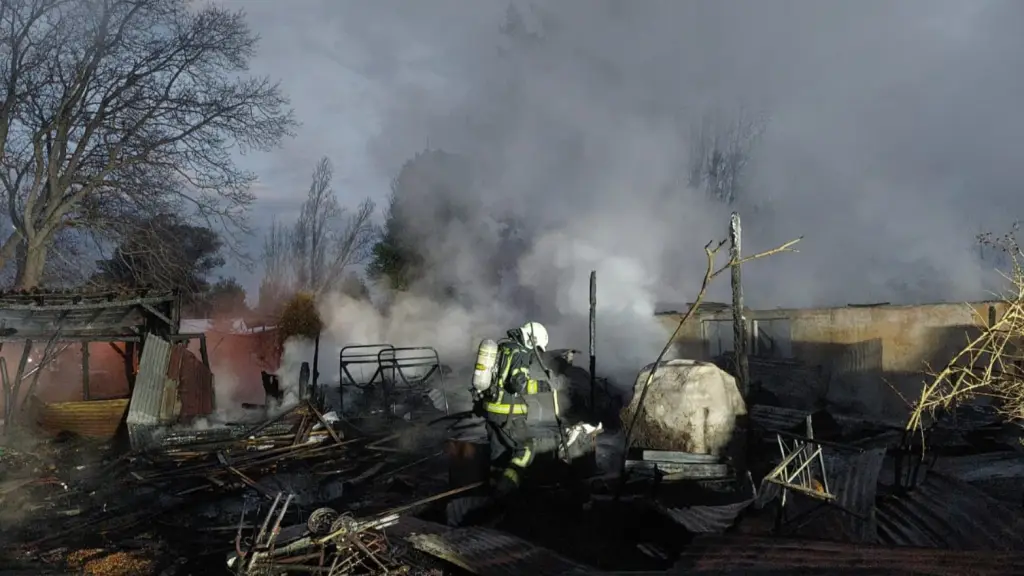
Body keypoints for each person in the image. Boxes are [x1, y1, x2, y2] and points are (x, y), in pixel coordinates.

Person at [479, 321, 563, 503]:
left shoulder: (503, 347)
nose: (535, 352)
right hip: (507, 414)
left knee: (499, 455)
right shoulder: (521, 353)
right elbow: (517, 384)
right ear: (531, 339)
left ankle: (492, 490)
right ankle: (505, 492)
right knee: (526, 448)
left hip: (490, 411)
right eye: (536, 347)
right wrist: (544, 385)